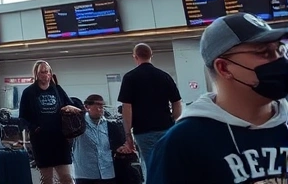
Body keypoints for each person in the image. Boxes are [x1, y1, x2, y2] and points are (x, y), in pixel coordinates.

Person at [147, 13, 288, 184]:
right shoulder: (182, 143)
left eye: (281, 50)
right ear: (223, 68)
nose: (280, 60)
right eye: (264, 52)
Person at [116, 43, 181, 174]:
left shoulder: (130, 78)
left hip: (143, 131)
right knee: (168, 164)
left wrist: (128, 134)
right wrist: (172, 119)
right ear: (151, 55)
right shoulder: (164, 76)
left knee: (151, 167)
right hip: (166, 128)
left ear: (135, 57)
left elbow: (127, 107)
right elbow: (177, 102)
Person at [19, 60, 81, 184]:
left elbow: (71, 104)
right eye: (42, 72)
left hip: (60, 140)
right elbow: (22, 117)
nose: (45, 75)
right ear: (36, 74)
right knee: (47, 179)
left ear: (51, 73)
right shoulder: (29, 92)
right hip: (41, 141)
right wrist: (34, 128)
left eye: (47, 72)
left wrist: (72, 108)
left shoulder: (57, 89)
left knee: (67, 177)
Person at [71, 94, 134, 184]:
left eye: (102, 105)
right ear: (87, 106)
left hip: (108, 172)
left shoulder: (110, 125)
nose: (100, 108)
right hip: (85, 173)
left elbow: (115, 146)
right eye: (97, 105)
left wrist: (121, 149)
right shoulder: (79, 124)